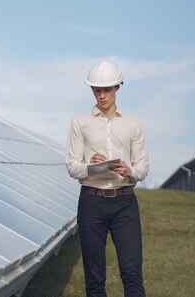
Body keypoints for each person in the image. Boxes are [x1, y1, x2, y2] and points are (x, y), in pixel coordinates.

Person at [66, 60, 150, 297]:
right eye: (96, 90)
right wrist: (93, 167)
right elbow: (72, 166)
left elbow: (143, 166)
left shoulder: (133, 124)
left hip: (125, 203)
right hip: (91, 203)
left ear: (117, 88)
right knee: (94, 277)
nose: (101, 95)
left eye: (107, 90)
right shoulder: (79, 122)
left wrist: (129, 170)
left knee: (132, 271)